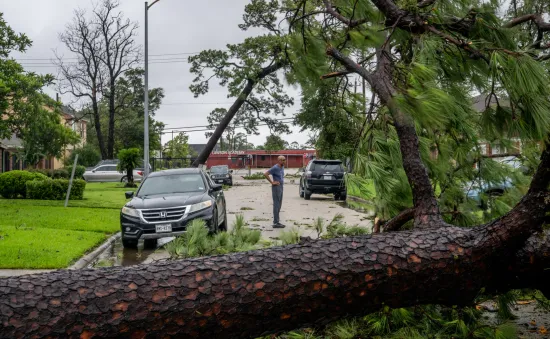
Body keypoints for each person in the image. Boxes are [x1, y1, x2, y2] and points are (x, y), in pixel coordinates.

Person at [264, 156, 286, 228]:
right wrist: (272, 182)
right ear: (279, 160)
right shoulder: (275, 167)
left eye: (284, 160)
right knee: (276, 204)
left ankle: (277, 221)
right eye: (282, 160)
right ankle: (276, 222)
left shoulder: (282, 167)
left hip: (281, 186)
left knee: (279, 204)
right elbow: (266, 174)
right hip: (276, 187)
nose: (284, 161)